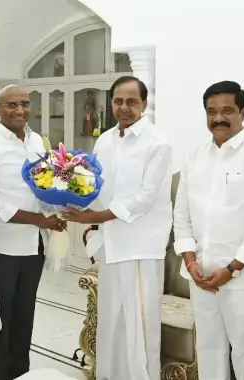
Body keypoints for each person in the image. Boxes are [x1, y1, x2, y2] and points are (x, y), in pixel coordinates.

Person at [62, 76, 173, 380]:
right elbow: (97, 186)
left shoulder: (157, 143)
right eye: (118, 101)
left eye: (132, 101)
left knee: (140, 325)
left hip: (141, 246)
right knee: (112, 320)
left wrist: (96, 217)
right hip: (111, 243)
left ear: (144, 104)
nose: (124, 107)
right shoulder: (105, 140)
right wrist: (75, 200)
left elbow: (145, 198)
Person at [173, 81, 244, 380]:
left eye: (227, 110)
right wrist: (191, 263)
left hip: (243, 277)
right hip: (200, 274)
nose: (218, 118)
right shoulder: (194, 156)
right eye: (211, 111)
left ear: (243, 112)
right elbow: (181, 215)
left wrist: (232, 269)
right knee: (208, 348)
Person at [0, 84, 65, 380]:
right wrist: (39, 220)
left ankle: (20, 374)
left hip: (34, 246)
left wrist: (58, 207)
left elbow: (45, 185)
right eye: (11, 105)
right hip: (2, 247)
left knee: (24, 318)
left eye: (24, 104)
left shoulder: (37, 141)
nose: (20, 110)